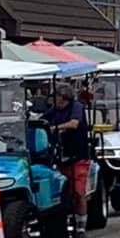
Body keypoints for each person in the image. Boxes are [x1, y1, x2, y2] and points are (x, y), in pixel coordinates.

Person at [44, 80, 90, 227]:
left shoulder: (76, 107)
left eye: (55, 96)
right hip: (61, 157)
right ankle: (66, 221)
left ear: (63, 97)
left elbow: (74, 124)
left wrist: (55, 128)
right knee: (64, 191)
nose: (53, 100)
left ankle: (82, 224)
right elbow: (42, 120)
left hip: (78, 156)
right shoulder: (54, 110)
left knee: (78, 192)